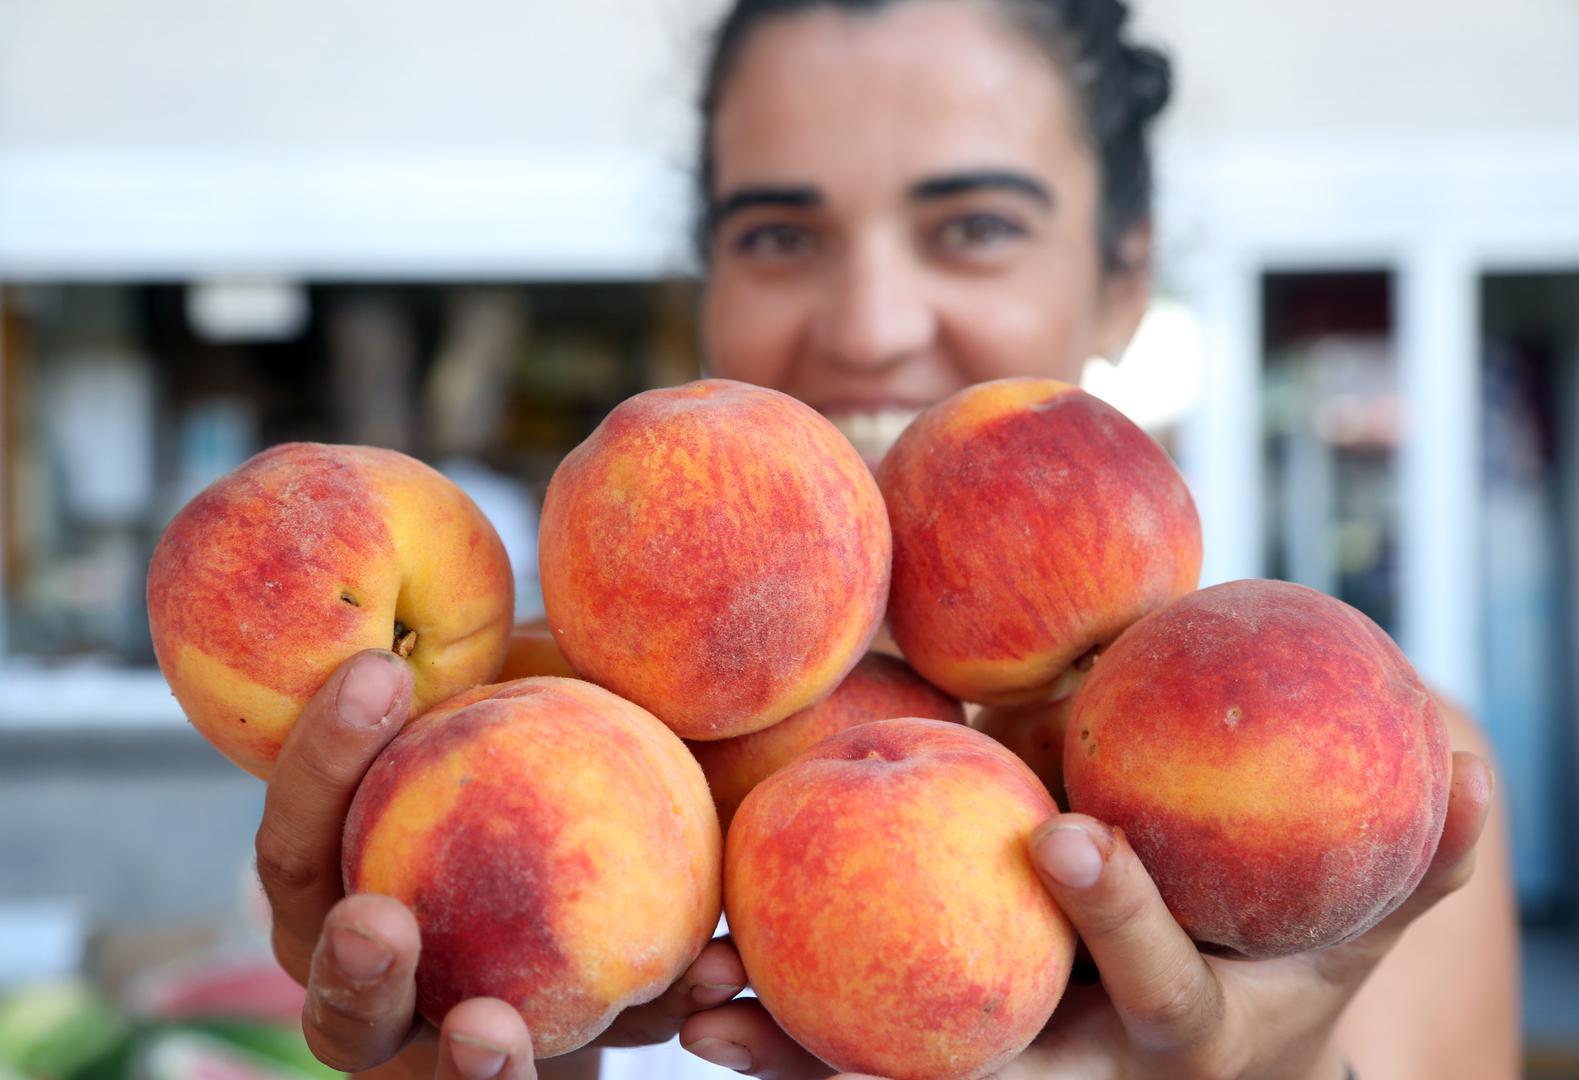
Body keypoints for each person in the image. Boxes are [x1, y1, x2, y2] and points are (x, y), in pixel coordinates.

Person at [253, 1, 1521, 1077]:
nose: (867, 326)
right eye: (778, 236)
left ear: (1124, 280)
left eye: (973, 225)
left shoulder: (1365, 776)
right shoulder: (501, 724)